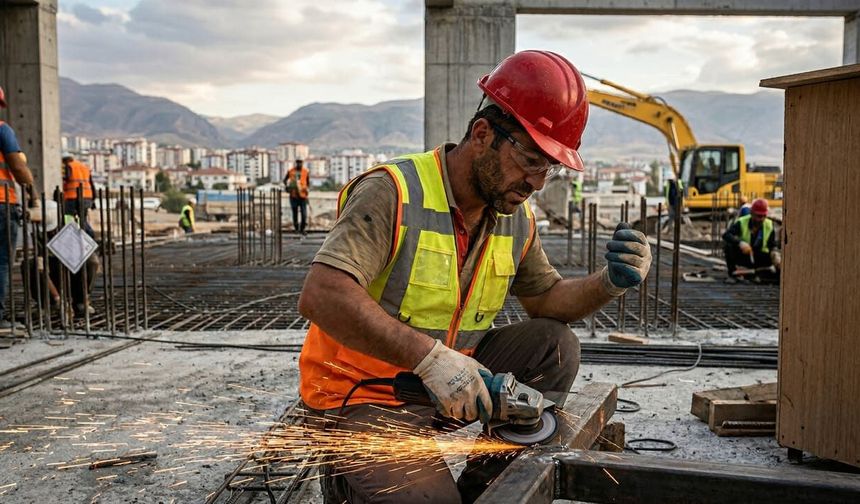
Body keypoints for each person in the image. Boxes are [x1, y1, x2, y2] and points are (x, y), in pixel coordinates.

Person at [297, 51, 652, 503]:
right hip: (360, 396)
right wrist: (431, 360)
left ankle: (483, 487)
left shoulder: (513, 215)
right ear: (482, 135)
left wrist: (609, 282)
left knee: (554, 345)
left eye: (549, 167)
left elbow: (546, 299)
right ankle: (353, 477)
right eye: (529, 159)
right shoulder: (393, 192)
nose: (537, 182)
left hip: (445, 389)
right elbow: (322, 294)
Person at [0, 86, 39, 329]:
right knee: (2, 261)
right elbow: (17, 165)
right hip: (1, 203)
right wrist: (32, 192)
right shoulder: (2, 129)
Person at [723, 198, 780, 283]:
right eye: (759, 216)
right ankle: (733, 274)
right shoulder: (742, 222)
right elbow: (726, 235)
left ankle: (757, 274)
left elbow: (772, 245)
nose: (761, 219)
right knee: (728, 246)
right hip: (744, 255)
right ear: (752, 213)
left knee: (773, 259)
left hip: (759, 257)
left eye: (764, 216)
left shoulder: (769, 225)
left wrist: (775, 254)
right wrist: (740, 242)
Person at [62, 155, 95, 237]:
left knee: (68, 217)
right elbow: (91, 184)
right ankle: (89, 235)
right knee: (82, 219)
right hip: (87, 197)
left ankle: (72, 236)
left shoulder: (69, 166)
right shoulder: (84, 167)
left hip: (72, 197)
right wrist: (93, 200)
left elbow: (66, 179)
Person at [284, 159, 309, 236]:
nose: (299, 164)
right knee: (295, 213)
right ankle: (296, 229)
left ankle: (302, 229)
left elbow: (308, 183)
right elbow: (285, 180)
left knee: (304, 214)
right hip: (293, 196)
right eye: (298, 163)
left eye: (300, 163)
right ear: (296, 163)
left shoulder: (305, 172)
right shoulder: (291, 171)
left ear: (302, 163)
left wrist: (305, 189)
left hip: (303, 196)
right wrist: (288, 187)